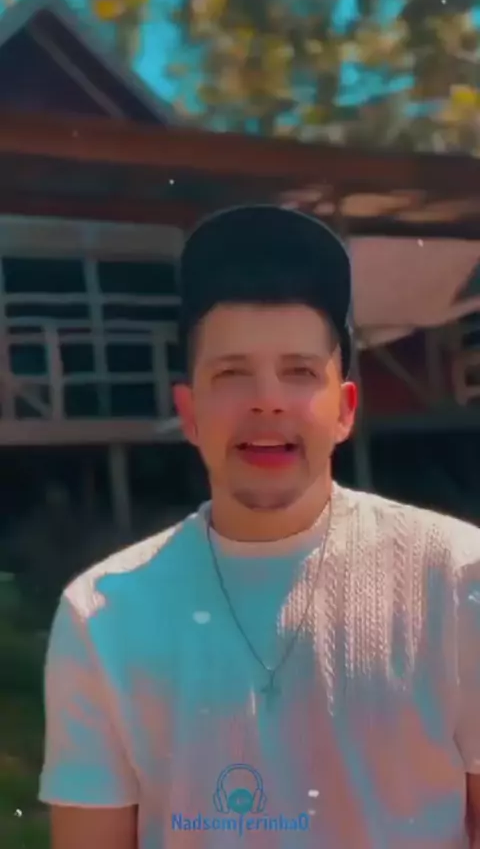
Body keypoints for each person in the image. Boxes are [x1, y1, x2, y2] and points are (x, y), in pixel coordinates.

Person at [39, 205, 480, 849]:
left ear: (345, 409)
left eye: (299, 372)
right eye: (232, 373)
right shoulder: (103, 616)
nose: (266, 400)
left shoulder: (459, 579)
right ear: (189, 412)